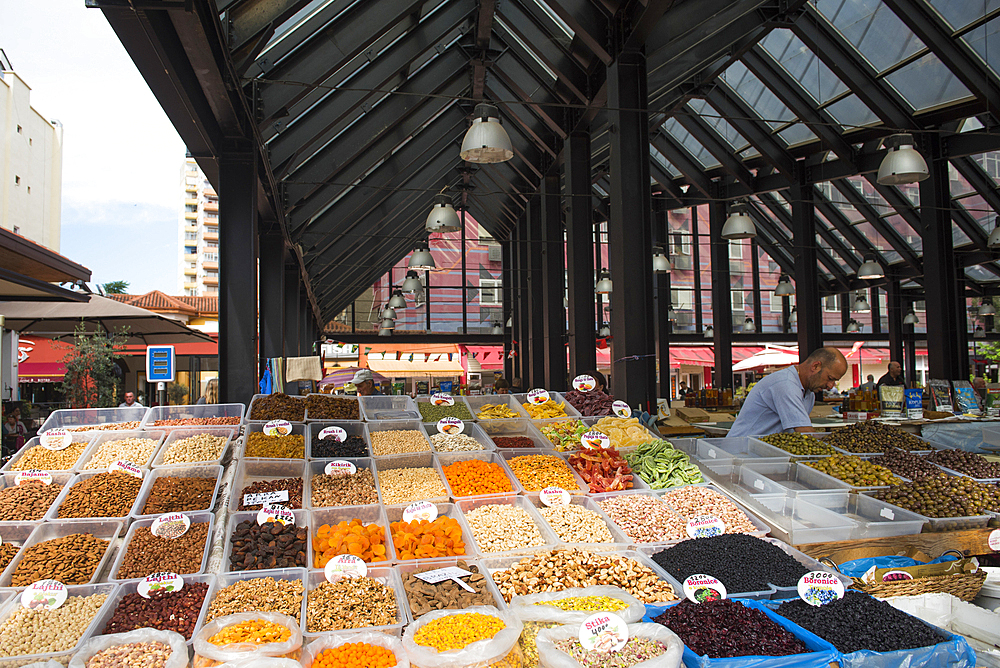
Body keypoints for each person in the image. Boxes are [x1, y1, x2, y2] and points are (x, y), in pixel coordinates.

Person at [728, 347, 848, 438]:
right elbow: (805, 432)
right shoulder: (785, 384)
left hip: (762, 453)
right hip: (741, 453)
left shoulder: (809, 393)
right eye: (830, 378)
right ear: (816, 366)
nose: (830, 386)